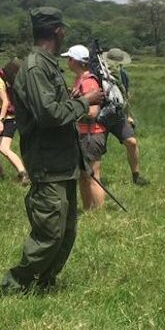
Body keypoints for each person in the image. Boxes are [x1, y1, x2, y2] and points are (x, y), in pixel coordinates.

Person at [0, 7, 103, 295]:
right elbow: (49, 115)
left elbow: (51, 105)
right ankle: (14, 286)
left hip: (63, 162)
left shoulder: (47, 64)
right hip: (48, 164)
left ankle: (43, 283)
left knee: (66, 231)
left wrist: (68, 99)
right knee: (50, 233)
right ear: (58, 32)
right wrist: (86, 102)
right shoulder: (36, 67)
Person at [64, 44, 106, 210]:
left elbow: (94, 112)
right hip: (82, 133)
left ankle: (100, 214)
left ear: (75, 61)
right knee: (83, 176)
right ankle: (88, 210)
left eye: (69, 59)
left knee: (93, 175)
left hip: (91, 134)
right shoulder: (79, 80)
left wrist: (73, 108)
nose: (67, 62)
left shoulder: (88, 82)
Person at [101, 47, 149, 186]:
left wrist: (128, 115)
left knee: (132, 143)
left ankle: (136, 176)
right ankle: (90, 178)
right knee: (97, 150)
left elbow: (125, 98)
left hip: (118, 115)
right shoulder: (99, 74)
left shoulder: (124, 76)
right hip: (102, 115)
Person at [0, 58, 30, 185]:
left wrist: (0, 121)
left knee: (4, 148)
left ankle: (24, 174)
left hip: (7, 118)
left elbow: (5, 103)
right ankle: (1, 177)